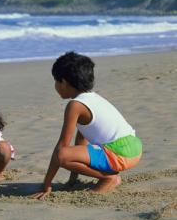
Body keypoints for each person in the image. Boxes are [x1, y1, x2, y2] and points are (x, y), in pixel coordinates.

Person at [34, 52, 142, 199]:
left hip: (119, 154)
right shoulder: (93, 98)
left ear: (64, 82)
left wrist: (46, 184)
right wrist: (73, 179)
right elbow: (81, 140)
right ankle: (106, 176)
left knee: (62, 155)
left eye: (56, 81)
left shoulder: (75, 105)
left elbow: (61, 147)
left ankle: (109, 178)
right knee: (69, 153)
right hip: (133, 148)